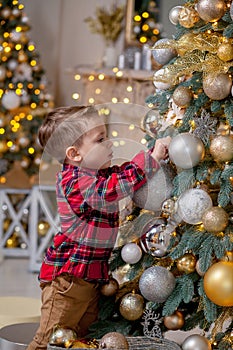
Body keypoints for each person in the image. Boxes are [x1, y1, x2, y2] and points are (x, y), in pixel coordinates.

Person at [27, 105, 171, 350]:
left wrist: (152, 155)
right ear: (74, 153)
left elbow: (122, 174)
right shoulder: (75, 182)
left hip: (90, 277)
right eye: (100, 139)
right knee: (49, 339)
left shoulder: (97, 173)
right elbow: (112, 189)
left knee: (82, 339)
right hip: (68, 280)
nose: (110, 143)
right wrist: (152, 159)